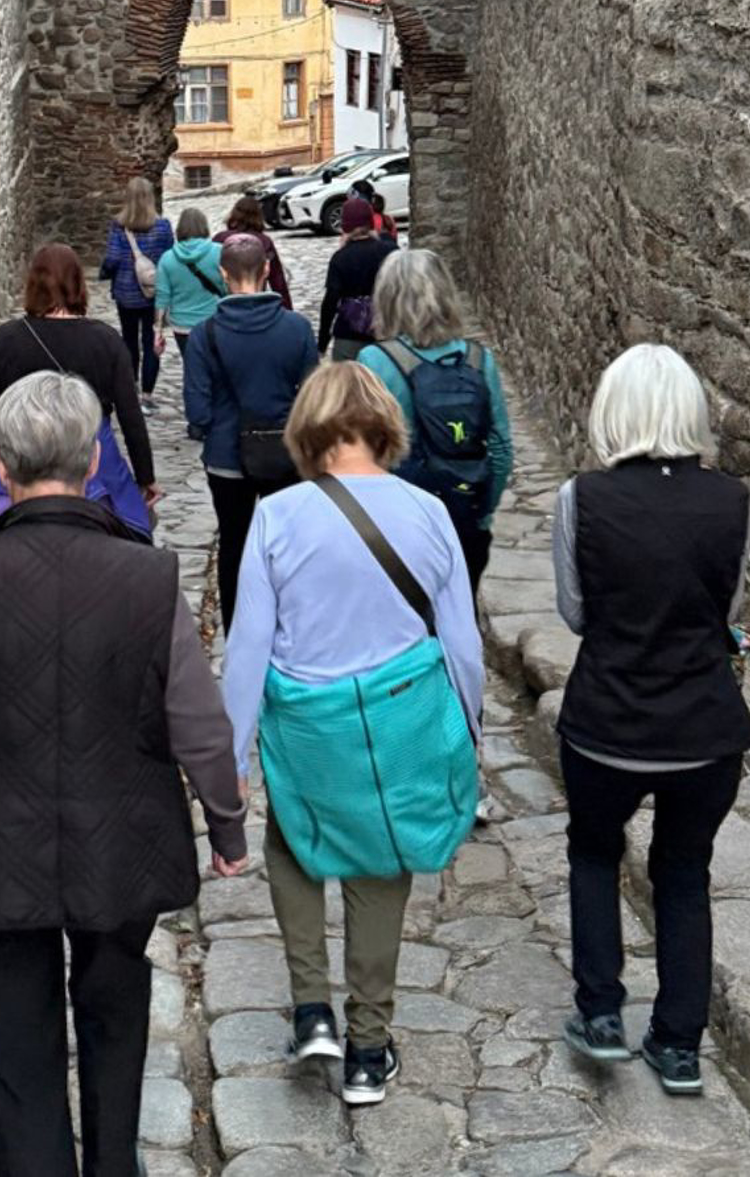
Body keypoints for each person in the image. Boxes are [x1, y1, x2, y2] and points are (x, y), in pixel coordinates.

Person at [0, 371, 248, 1177]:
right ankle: (113, 1160)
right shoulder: (149, 579)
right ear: (92, 462)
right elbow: (197, 718)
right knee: (115, 1011)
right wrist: (225, 825)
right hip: (122, 840)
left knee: (13, 1051)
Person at [224, 362, 484, 1107]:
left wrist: (233, 755)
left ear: (308, 429)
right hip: (400, 722)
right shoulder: (429, 512)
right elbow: (462, 644)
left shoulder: (277, 516)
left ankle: (312, 1010)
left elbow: (248, 646)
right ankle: (368, 1049)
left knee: (293, 842)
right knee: (380, 867)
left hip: (309, 727)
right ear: (383, 425)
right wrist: (471, 732)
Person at [554, 345, 750, 1098]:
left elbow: (575, 612)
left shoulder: (581, 498)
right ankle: (678, 1044)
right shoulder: (735, 501)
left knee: (593, 853)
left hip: (607, 719)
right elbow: (730, 610)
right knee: (683, 871)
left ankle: (601, 1012)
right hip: (704, 727)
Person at [359, 249, 513, 597]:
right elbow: (501, 447)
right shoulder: (478, 359)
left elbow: (364, 454)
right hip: (464, 516)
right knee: (461, 609)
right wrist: (482, 512)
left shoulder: (374, 361)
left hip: (400, 523)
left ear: (386, 298)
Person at [0, 244, 157, 538]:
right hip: (91, 460)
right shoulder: (106, 340)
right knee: (130, 537)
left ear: (33, 284)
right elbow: (130, 415)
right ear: (78, 283)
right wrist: (145, 476)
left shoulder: (6, 340)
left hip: (23, 457)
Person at [184, 236, 317, 631]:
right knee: (288, 546)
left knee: (235, 545)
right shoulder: (296, 329)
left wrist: (216, 427)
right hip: (285, 455)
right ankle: (291, 625)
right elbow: (313, 400)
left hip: (228, 458)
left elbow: (197, 411)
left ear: (222, 274)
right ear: (266, 271)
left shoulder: (204, 335)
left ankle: (238, 631)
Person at [100, 177, 174, 409]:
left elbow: (112, 258)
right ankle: (148, 394)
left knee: (129, 340)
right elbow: (169, 257)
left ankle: (131, 386)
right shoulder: (163, 226)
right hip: (154, 293)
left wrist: (105, 271)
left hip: (126, 293)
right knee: (152, 340)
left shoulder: (119, 226)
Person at [318, 197, 397, 360]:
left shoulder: (341, 258)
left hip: (350, 334)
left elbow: (330, 301)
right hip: (386, 331)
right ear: (371, 223)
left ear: (345, 226)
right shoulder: (390, 251)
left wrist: (322, 342)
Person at [153, 206, 226, 359]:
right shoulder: (219, 252)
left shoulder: (167, 258)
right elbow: (229, 287)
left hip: (182, 325)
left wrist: (158, 330)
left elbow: (162, 297)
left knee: (192, 366)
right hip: (215, 321)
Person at [214, 194, 293, 309]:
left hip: (226, 303)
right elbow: (278, 280)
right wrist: (287, 309)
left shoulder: (220, 239)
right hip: (256, 302)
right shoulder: (264, 241)